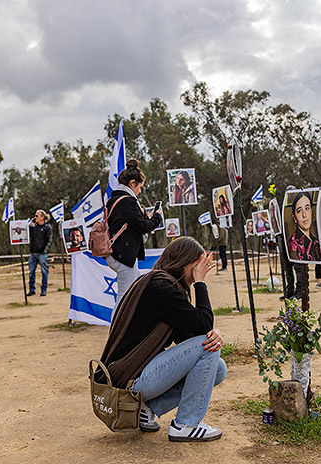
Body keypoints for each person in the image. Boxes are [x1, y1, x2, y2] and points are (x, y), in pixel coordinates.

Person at [97, 237, 226, 441]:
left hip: (138, 376)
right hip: (131, 381)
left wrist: (210, 333)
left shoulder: (160, 285)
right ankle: (185, 424)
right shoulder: (160, 288)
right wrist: (200, 283)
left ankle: (147, 409)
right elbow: (202, 329)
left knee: (218, 369)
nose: (199, 273)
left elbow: (188, 334)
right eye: (197, 267)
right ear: (186, 264)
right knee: (207, 347)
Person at [106, 159, 163, 310]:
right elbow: (143, 227)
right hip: (124, 256)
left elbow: (136, 223)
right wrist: (157, 217)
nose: (140, 191)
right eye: (140, 187)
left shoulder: (114, 199)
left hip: (117, 254)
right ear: (132, 183)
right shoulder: (128, 202)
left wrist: (147, 218)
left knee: (141, 286)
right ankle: (117, 330)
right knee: (124, 299)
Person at [288, 191, 321, 262]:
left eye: (307, 208)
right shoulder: (293, 244)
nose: (304, 215)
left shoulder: (316, 242)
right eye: (299, 211)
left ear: (311, 212)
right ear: (294, 218)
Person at [28, 210, 53, 297]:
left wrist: (45, 250)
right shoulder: (34, 227)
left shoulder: (47, 227)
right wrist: (31, 225)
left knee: (44, 272)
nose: (35, 217)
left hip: (42, 253)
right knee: (31, 272)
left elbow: (49, 240)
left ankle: (44, 290)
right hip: (33, 253)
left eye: (37, 216)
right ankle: (31, 289)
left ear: (42, 217)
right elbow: (28, 236)